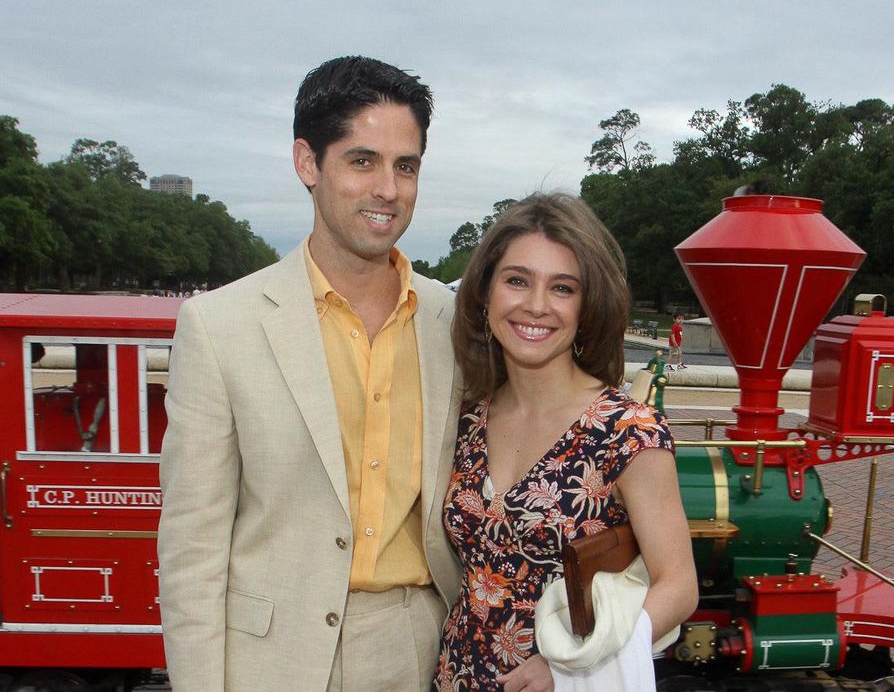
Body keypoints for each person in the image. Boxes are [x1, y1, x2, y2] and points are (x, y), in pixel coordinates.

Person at [158, 56, 462, 692]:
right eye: (362, 160)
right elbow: (192, 547)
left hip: (419, 650)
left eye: (406, 166)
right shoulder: (220, 326)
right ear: (307, 163)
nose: (389, 188)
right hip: (269, 661)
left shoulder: (455, 321)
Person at [435, 193, 698, 691]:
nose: (536, 305)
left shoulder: (626, 432)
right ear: (485, 293)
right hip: (456, 677)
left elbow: (679, 587)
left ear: (587, 305)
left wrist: (572, 666)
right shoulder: (471, 416)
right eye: (517, 280)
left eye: (562, 288)